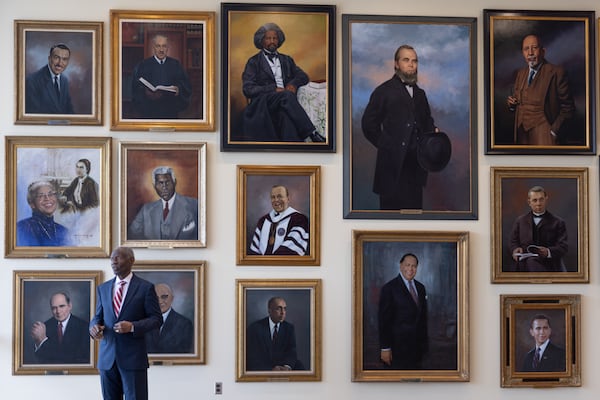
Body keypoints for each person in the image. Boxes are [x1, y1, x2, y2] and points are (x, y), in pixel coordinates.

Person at [361, 45, 442, 210]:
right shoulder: (383, 91)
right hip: (391, 169)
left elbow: (427, 122)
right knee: (389, 226)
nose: (411, 64)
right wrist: (386, 145)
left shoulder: (421, 95)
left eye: (414, 61)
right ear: (396, 64)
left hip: (415, 169)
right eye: (406, 60)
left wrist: (433, 132)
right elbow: (368, 124)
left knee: (413, 224)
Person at [89, 247, 162, 400]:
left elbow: (156, 319)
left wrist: (133, 326)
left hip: (133, 359)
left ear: (131, 261)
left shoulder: (145, 288)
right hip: (107, 359)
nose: (114, 261)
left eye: (118, 257)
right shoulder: (103, 288)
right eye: (112, 258)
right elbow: (97, 317)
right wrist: (94, 327)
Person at [241, 22, 325, 143]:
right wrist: (273, 89)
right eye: (268, 38)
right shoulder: (253, 62)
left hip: (285, 102)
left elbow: (303, 76)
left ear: (279, 40)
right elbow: (247, 89)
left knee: (286, 116)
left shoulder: (286, 60)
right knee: (286, 95)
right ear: (261, 41)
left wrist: (293, 84)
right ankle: (312, 133)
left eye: (275, 38)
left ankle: (293, 151)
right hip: (264, 102)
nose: (272, 41)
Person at [506, 34, 575, 145]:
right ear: (523, 53)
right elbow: (519, 101)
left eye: (534, 48)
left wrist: (554, 131)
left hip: (545, 135)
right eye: (526, 49)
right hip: (522, 135)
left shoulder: (557, 73)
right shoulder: (520, 74)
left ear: (543, 51)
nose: (530, 53)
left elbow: (568, 108)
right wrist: (512, 105)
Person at [378, 253, 428, 369]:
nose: (410, 269)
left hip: (417, 349)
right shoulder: (389, 288)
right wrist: (385, 348)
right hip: (397, 349)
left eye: (414, 266)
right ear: (401, 266)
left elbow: (423, 319)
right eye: (407, 265)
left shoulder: (421, 288)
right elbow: (384, 321)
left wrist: (425, 347)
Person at [128, 166, 198, 241]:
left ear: (175, 182)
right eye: (160, 183)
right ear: (154, 186)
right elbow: (131, 235)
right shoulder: (146, 210)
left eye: (167, 182)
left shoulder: (194, 205)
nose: (164, 187)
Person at [131, 33, 192, 118]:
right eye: (158, 46)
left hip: (170, 110)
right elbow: (136, 87)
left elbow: (185, 84)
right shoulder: (143, 65)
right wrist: (146, 92)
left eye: (164, 46)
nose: (161, 49)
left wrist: (178, 89)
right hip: (150, 110)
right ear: (154, 48)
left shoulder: (176, 64)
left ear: (167, 48)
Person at [510, 186, 568, 272]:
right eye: (535, 200)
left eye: (541, 199)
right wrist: (515, 249)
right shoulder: (520, 221)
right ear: (529, 202)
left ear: (546, 199)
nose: (538, 203)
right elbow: (513, 241)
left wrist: (548, 252)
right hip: (523, 267)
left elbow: (563, 247)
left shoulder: (558, 222)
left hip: (549, 266)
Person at [248, 185, 309, 256]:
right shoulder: (263, 221)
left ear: (288, 199)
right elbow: (254, 252)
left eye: (280, 196)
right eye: (273, 197)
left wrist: (270, 262)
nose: (276, 200)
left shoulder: (299, 219)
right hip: (262, 266)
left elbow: (291, 250)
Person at [30, 292, 90, 364]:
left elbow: (75, 359)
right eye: (54, 308)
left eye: (62, 306)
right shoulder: (45, 326)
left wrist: (43, 340)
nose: (58, 311)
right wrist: (38, 342)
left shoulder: (84, 327)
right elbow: (39, 359)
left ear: (70, 306)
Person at [246, 296, 303, 371]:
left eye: (284, 309)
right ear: (269, 311)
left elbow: (291, 351)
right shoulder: (255, 328)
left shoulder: (289, 328)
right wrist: (270, 369)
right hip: (263, 367)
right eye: (278, 309)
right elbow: (252, 355)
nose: (283, 312)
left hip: (283, 366)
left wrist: (286, 366)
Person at [25, 43, 75, 114]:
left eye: (64, 59)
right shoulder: (32, 81)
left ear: (68, 62)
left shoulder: (64, 81)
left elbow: (69, 110)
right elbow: (32, 114)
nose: (60, 63)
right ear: (49, 58)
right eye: (56, 57)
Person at [16, 180, 70, 246]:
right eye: (40, 196)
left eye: (50, 194)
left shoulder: (64, 231)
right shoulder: (21, 228)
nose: (47, 198)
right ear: (32, 203)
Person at [146, 283, 194, 354]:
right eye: (156, 298)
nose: (159, 301)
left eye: (164, 297)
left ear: (172, 298)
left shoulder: (184, 324)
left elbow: (185, 353)